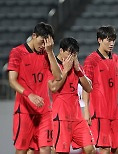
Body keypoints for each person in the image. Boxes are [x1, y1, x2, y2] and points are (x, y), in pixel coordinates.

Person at [7, 22, 62, 154]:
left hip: (44, 111)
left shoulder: (46, 54)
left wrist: (50, 52)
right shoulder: (17, 52)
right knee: (22, 150)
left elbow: (58, 76)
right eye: (42, 41)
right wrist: (29, 94)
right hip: (24, 110)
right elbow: (12, 81)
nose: (43, 46)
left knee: (46, 149)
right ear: (33, 36)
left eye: (46, 43)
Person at [82, 25, 118, 154]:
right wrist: (86, 111)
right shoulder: (91, 60)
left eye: (113, 40)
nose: (111, 43)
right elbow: (86, 86)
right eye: (108, 40)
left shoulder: (117, 59)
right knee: (104, 149)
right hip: (99, 112)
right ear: (99, 40)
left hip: (114, 112)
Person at [51, 37, 96, 154]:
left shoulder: (77, 67)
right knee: (60, 152)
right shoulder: (54, 66)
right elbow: (54, 87)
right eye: (70, 53)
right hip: (61, 116)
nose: (73, 57)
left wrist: (78, 70)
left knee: (90, 149)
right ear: (61, 51)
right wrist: (65, 71)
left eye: (75, 54)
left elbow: (89, 88)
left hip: (77, 117)